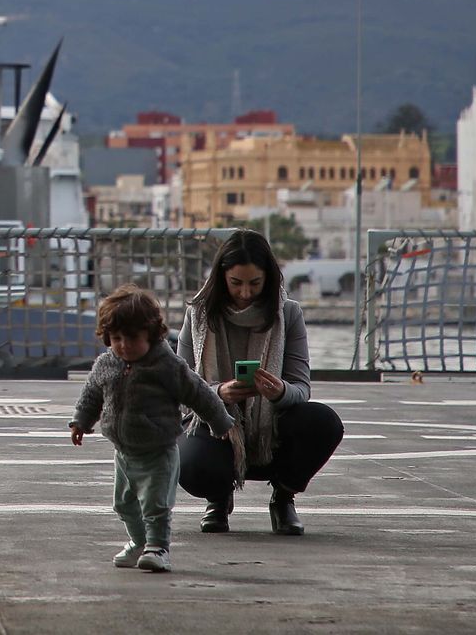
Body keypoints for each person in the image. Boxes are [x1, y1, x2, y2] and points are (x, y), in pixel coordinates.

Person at [177, 229, 344, 536]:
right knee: (188, 462)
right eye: (236, 283)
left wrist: (278, 391)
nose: (244, 293)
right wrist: (218, 394)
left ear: (269, 279)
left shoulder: (288, 313)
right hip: (214, 425)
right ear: (221, 278)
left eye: (255, 283)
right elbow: (181, 387)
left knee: (325, 423)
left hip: (272, 424)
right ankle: (217, 498)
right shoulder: (198, 315)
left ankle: (283, 496)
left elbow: (301, 388)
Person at [70, 285, 234, 573]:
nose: (123, 345)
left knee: (156, 505)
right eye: (116, 338)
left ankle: (158, 548)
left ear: (151, 333)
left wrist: (219, 422)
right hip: (124, 453)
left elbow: (199, 393)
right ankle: (138, 542)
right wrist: (81, 421)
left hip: (159, 451)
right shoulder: (107, 364)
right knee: (124, 505)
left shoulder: (166, 365)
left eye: (131, 337)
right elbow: (92, 394)